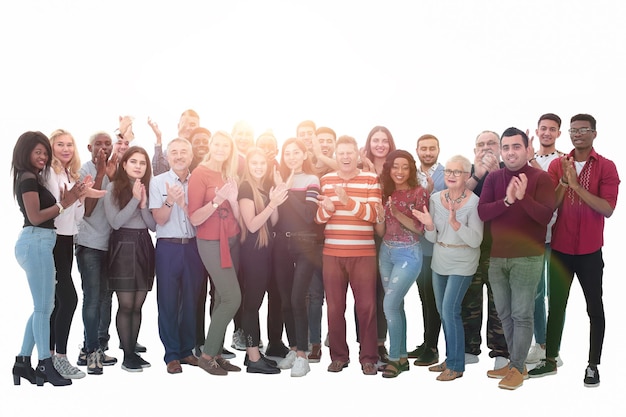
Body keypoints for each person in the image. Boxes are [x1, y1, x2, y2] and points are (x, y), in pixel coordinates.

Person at [529, 114, 620, 388]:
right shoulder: (559, 164)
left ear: (594, 133)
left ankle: (593, 365)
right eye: (573, 130)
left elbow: (608, 209)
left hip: (591, 252)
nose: (577, 134)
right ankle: (551, 360)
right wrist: (564, 183)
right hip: (561, 250)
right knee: (556, 306)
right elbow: (550, 206)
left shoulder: (606, 166)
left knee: (595, 308)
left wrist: (578, 186)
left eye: (583, 130)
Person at [478, 127, 555, 390]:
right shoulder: (494, 178)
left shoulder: (541, 178)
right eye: (506, 147)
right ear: (501, 151)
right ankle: (515, 364)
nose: (511, 152)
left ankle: (517, 368)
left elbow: (545, 217)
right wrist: (508, 202)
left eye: (516, 147)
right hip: (498, 258)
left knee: (522, 315)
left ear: (526, 149)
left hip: (528, 257)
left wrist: (523, 199)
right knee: (505, 314)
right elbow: (483, 213)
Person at [11, 131, 85, 386]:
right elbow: (35, 217)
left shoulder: (34, 177)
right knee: (45, 308)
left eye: (45, 152)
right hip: (36, 241)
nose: (42, 156)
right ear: (25, 152)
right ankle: (45, 363)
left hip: (42, 242)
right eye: (37, 152)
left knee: (44, 307)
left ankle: (22, 362)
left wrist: (73, 199)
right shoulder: (28, 178)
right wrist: (66, 203)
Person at [316, 135, 382, 376]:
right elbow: (319, 219)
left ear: (357, 155)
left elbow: (373, 215)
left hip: (363, 253)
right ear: (336, 155)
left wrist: (347, 201)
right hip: (332, 253)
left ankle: (368, 358)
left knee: (366, 307)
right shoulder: (325, 180)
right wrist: (328, 210)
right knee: (334, 308)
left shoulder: (370, 179)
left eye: (349, 153)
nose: (345, 157)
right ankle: (338, 357)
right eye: (341, 153)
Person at [413, 155, 483, 381]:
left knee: (451, 310)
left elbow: (476, 240)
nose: (452, 175)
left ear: (467, 175)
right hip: (440, 257)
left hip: (463, 259)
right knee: (444, 311)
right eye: (449, 171)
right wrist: (430, 226)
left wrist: (456, 225)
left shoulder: (474, 202)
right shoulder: (435, 199)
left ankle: (456, 365)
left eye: (458, 172)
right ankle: (450, 357)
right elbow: (432, 238)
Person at [188, 130, 242, 376]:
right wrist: (218, 200)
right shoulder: (200, 173)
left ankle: (217, 354)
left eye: (226, 145)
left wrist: (232, 200)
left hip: (231, 239)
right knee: (233, 298)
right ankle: (207, 355)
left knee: (222, 298)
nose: (221, 148)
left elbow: (235, 211)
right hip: (210, 242)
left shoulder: (229, 173)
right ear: (211, 145)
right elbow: (194, 217)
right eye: (217, 144)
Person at [149, 138, 205, 374]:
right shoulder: (158, 182)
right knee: (168, 301)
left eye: (184, 152)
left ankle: (186, 350)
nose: (179, 156)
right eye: (174, 152)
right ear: (168, 157)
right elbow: (159, 219)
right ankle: (171, 354)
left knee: (192, 300)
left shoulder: (199, 182)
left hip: (193, 246)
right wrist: (171, 200)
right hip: (168, 248)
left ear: (191, 156)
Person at [375, 150, 428, 378]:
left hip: (409, 253)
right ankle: (403, 358)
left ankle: (394, 359)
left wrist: (396, 212)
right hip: (386, 252)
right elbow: (382, 230)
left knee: (388, 305)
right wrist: (379, 216)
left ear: (411, 169)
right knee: (396, 306)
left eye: (404, 167)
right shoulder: (384, 192)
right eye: (395, 166)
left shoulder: (419, 192)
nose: (399, 171)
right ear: (389, 169)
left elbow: (420, 228)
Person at [104, 146, 157, 372]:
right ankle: (127, 355)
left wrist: (143, 204)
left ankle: (132, 350)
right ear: (124, 164)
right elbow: (115, 222)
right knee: (125, 304)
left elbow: (153, 226)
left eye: (142, 163)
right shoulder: (113, 187)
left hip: (144, 243)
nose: (138, 166)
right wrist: (135, 200)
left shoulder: (148, 187)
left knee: (138, 304)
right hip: (123, 246)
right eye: (133, 161)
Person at [272, 137, 321, 377]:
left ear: (304, 155)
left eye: (295, 152)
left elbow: (308, 214)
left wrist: (286, 189)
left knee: (297, 298)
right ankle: (293, 349)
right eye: (287, 153)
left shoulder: (311, 180)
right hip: (281, 243)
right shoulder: (278, 178)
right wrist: (279, 187)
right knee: (284, 300)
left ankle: (303, 354)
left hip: (305, 244)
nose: (290, 157)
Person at [238, 147, 288, 374]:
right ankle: (253, 357)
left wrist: (275, 196)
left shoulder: (264, 187)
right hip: (253, 252)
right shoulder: (246, 187)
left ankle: (256, 356)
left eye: (262, 163)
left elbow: (273, 221)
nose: (258, 167)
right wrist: (271, 204)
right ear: (248, 165)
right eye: (254, 163)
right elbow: (252, 225)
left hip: (267, 251)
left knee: (260, 303)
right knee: (252, 305)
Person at [462, 130, 509, 370]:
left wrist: (494, 174)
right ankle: (470, 349)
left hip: (499, 249)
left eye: (492, 143)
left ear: (500, 148)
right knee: (469, 300)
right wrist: (479, 174)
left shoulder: (508, 171)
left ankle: (500, 351)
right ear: (474, 150)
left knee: (498, 301)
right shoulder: (467, 173)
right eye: (481, 144)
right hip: (470, 249)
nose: (486, 148)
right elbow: (457, 200)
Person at [75, 131, 119, 375]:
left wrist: (111, 174)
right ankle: (92, 351)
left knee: (105, 298)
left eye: (107, 143)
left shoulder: (116, 169)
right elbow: (89, 209)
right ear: (90, 147)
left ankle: (97, 347)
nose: (103, 147)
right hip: (89, 244)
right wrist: (101, 173)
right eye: (98, 144)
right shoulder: (85, 171)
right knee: (92, 297)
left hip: (110, 245)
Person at [45, 129, 87, 379]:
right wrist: (69, 201)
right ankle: (59, 357)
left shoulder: (70, 175)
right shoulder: (49, 174)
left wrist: (78, 198)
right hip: (52, 240)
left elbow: (77, 217)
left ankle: (51, 357)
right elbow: (54, 211)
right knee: (68, 299)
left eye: (69, 144)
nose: (65, 149)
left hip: (67, 241)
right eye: (59, 144)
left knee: (60, 302)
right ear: (51, 148)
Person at [525, 113, 566, 365]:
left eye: (552, 129)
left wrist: (531, 159)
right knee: (535, 293)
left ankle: (553, 349)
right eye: (543, 128)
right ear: (537, 132)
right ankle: (540, 344)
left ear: (559, 133)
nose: (547, 133)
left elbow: (551, 188)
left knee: (556, 295)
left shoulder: (564, 160)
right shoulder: (528, 160)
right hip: (535, 237)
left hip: (560, 236)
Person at [358, 125, 398, 363]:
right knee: (364, 292)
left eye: (385, 140)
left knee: (384, 292)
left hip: (391, 236)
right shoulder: (359, 167)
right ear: (369, 143)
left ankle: (380, 343)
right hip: (364, 235)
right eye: (376, 140)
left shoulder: (396, 167)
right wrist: (368, 170)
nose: (380, 144)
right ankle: (364, 341)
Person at [409, 134, 446, 366]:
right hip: (416, 247)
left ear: (438, 150)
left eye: (432, 148)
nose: (428, 152)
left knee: (434, 299)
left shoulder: (446, 173)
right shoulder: (411, 175)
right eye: (424, 148)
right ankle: (426, 342)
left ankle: (433, 348)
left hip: (439, 248)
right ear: (417, 150)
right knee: (424, 298)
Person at [255, 130, 290, 358]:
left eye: (271, 146)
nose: (267, 150)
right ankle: (250, 341)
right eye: (263, 145)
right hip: (254, 243)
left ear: (276, 151)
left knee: (277, 295)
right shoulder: (252, 171)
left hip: (280, 243)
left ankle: (275, 341)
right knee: (253, 296)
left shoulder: (284, 171)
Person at [307, 126, 337, 363]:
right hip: (312, 240)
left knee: (337, 296)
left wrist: (320, 154)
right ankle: (314, 343)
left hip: (338, 240)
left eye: (328, 141)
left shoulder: (341, 165)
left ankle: (334, 337)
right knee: (314, 295)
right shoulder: (306, 165)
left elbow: (346, 169)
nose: (324, 144)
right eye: (320, 141)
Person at [229, 119, 255, 350]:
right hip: (229, 233)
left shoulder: (256, 163)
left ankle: (247, 332)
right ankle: (233, 332)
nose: (244, 138)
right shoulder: (228, 162)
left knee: (249, 286)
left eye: (248, 134)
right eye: (240, 133)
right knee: (229, 287)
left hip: (252, 235)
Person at [151, 109, 200, 175]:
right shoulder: (170, 152)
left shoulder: (204, 153)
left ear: (198, 128)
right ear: (178, 126)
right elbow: (159, 173)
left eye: (192, 124)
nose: (188, 128)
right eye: (184, 124)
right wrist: (158, 138)